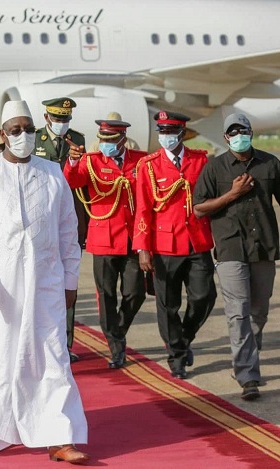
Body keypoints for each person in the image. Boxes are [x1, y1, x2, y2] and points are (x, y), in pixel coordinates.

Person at [0, 100, 88, 464]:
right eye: (15, 130)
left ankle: (59, 437)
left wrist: (71, 278)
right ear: (2, 135)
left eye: (28, 129)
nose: (24, 136)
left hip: (45, 282)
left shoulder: (52, 172)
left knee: (53, 357)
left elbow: (67, 230)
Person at [193, 113, 280, 400]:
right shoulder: (214, 168)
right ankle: (247, 375)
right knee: (238, 312)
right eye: (233, 132)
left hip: (264, 247)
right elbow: (199, 208)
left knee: (259, 312)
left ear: (251, 132)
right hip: (231, 249)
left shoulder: (270, 163)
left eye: (243, 130)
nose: (238, 135)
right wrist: (232, 194)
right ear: (226, 137)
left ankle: (247, 360)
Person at [132, 111, 217, 380]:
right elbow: (143, 209)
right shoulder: (148, 165)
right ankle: (176, 358)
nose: (165, 138)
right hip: (164, 244)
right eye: (162, 133)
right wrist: (142, 248)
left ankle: (183, 338)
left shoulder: (200, 160)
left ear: (181, 134)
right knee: (168, 305)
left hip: (196, 241)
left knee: (205, 296)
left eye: (170, 133)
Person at [64, 119, 148, 369]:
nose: (106, 145)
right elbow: (72, 181)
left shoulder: (141, 161)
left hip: (133, 238)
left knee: (136, 293)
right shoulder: (91, 161)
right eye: (103, 140)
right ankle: (116, 346)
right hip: (104, 238)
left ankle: (117, 330)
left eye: (111, 141)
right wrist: (72, 161)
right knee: (107, 294)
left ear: (122, 139)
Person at [34, 96, 86, 363]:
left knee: (68, 280)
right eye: (57, 119)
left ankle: (64, 344)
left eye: (65, 120)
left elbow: (81, 181)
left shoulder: (78, 140)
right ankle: (39, 340)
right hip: (41, 217)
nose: (61, 124)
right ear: (46, 119)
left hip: (68, 218)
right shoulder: (34, 140)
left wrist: (77, 160)